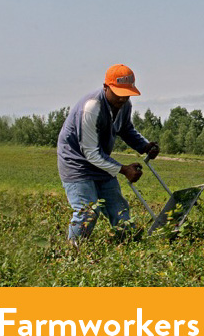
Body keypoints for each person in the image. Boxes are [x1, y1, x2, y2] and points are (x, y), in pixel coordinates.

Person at [57, 64, 160, 243]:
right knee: (87, 211)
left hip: (100, 161)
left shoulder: (124, 104)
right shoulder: (91, 108)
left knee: (119, 209)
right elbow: (90, 152)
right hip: (77, 163)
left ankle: (130, 247)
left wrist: (144, 146)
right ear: (106, 87)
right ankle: (72, 254)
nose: (123, 98)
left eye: (127, 93)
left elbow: (126, 129)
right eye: (118, 93)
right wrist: (123, 169)